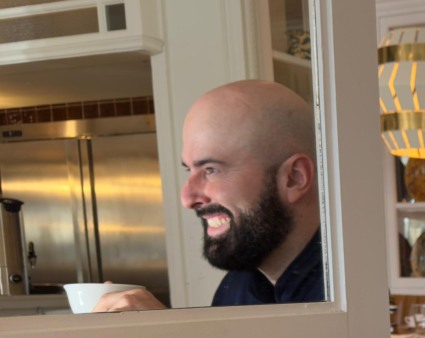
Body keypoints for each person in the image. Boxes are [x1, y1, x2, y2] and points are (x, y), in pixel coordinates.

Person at [94, 80, 323, 311]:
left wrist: (171, 335)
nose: (187, 198)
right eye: (189, 169)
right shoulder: (238, 287)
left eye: (211, 170)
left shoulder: (352, 291)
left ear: (294, 178)